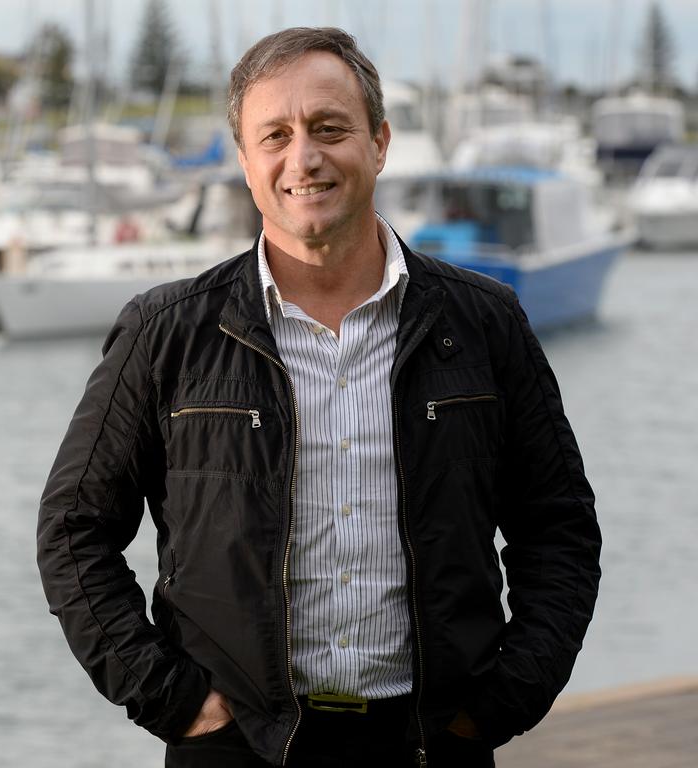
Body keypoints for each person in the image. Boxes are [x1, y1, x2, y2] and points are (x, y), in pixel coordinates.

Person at [37, 27, 600, 768]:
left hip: (433, 744)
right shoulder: (166, 332)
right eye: (275, 135)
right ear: (244, 161)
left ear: (380, 142)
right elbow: (73, 530)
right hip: (239, 748)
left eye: (330, 129)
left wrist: (505, 701)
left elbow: (557, 527)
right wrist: (170, 699)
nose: (303, 157)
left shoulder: (484, 322)